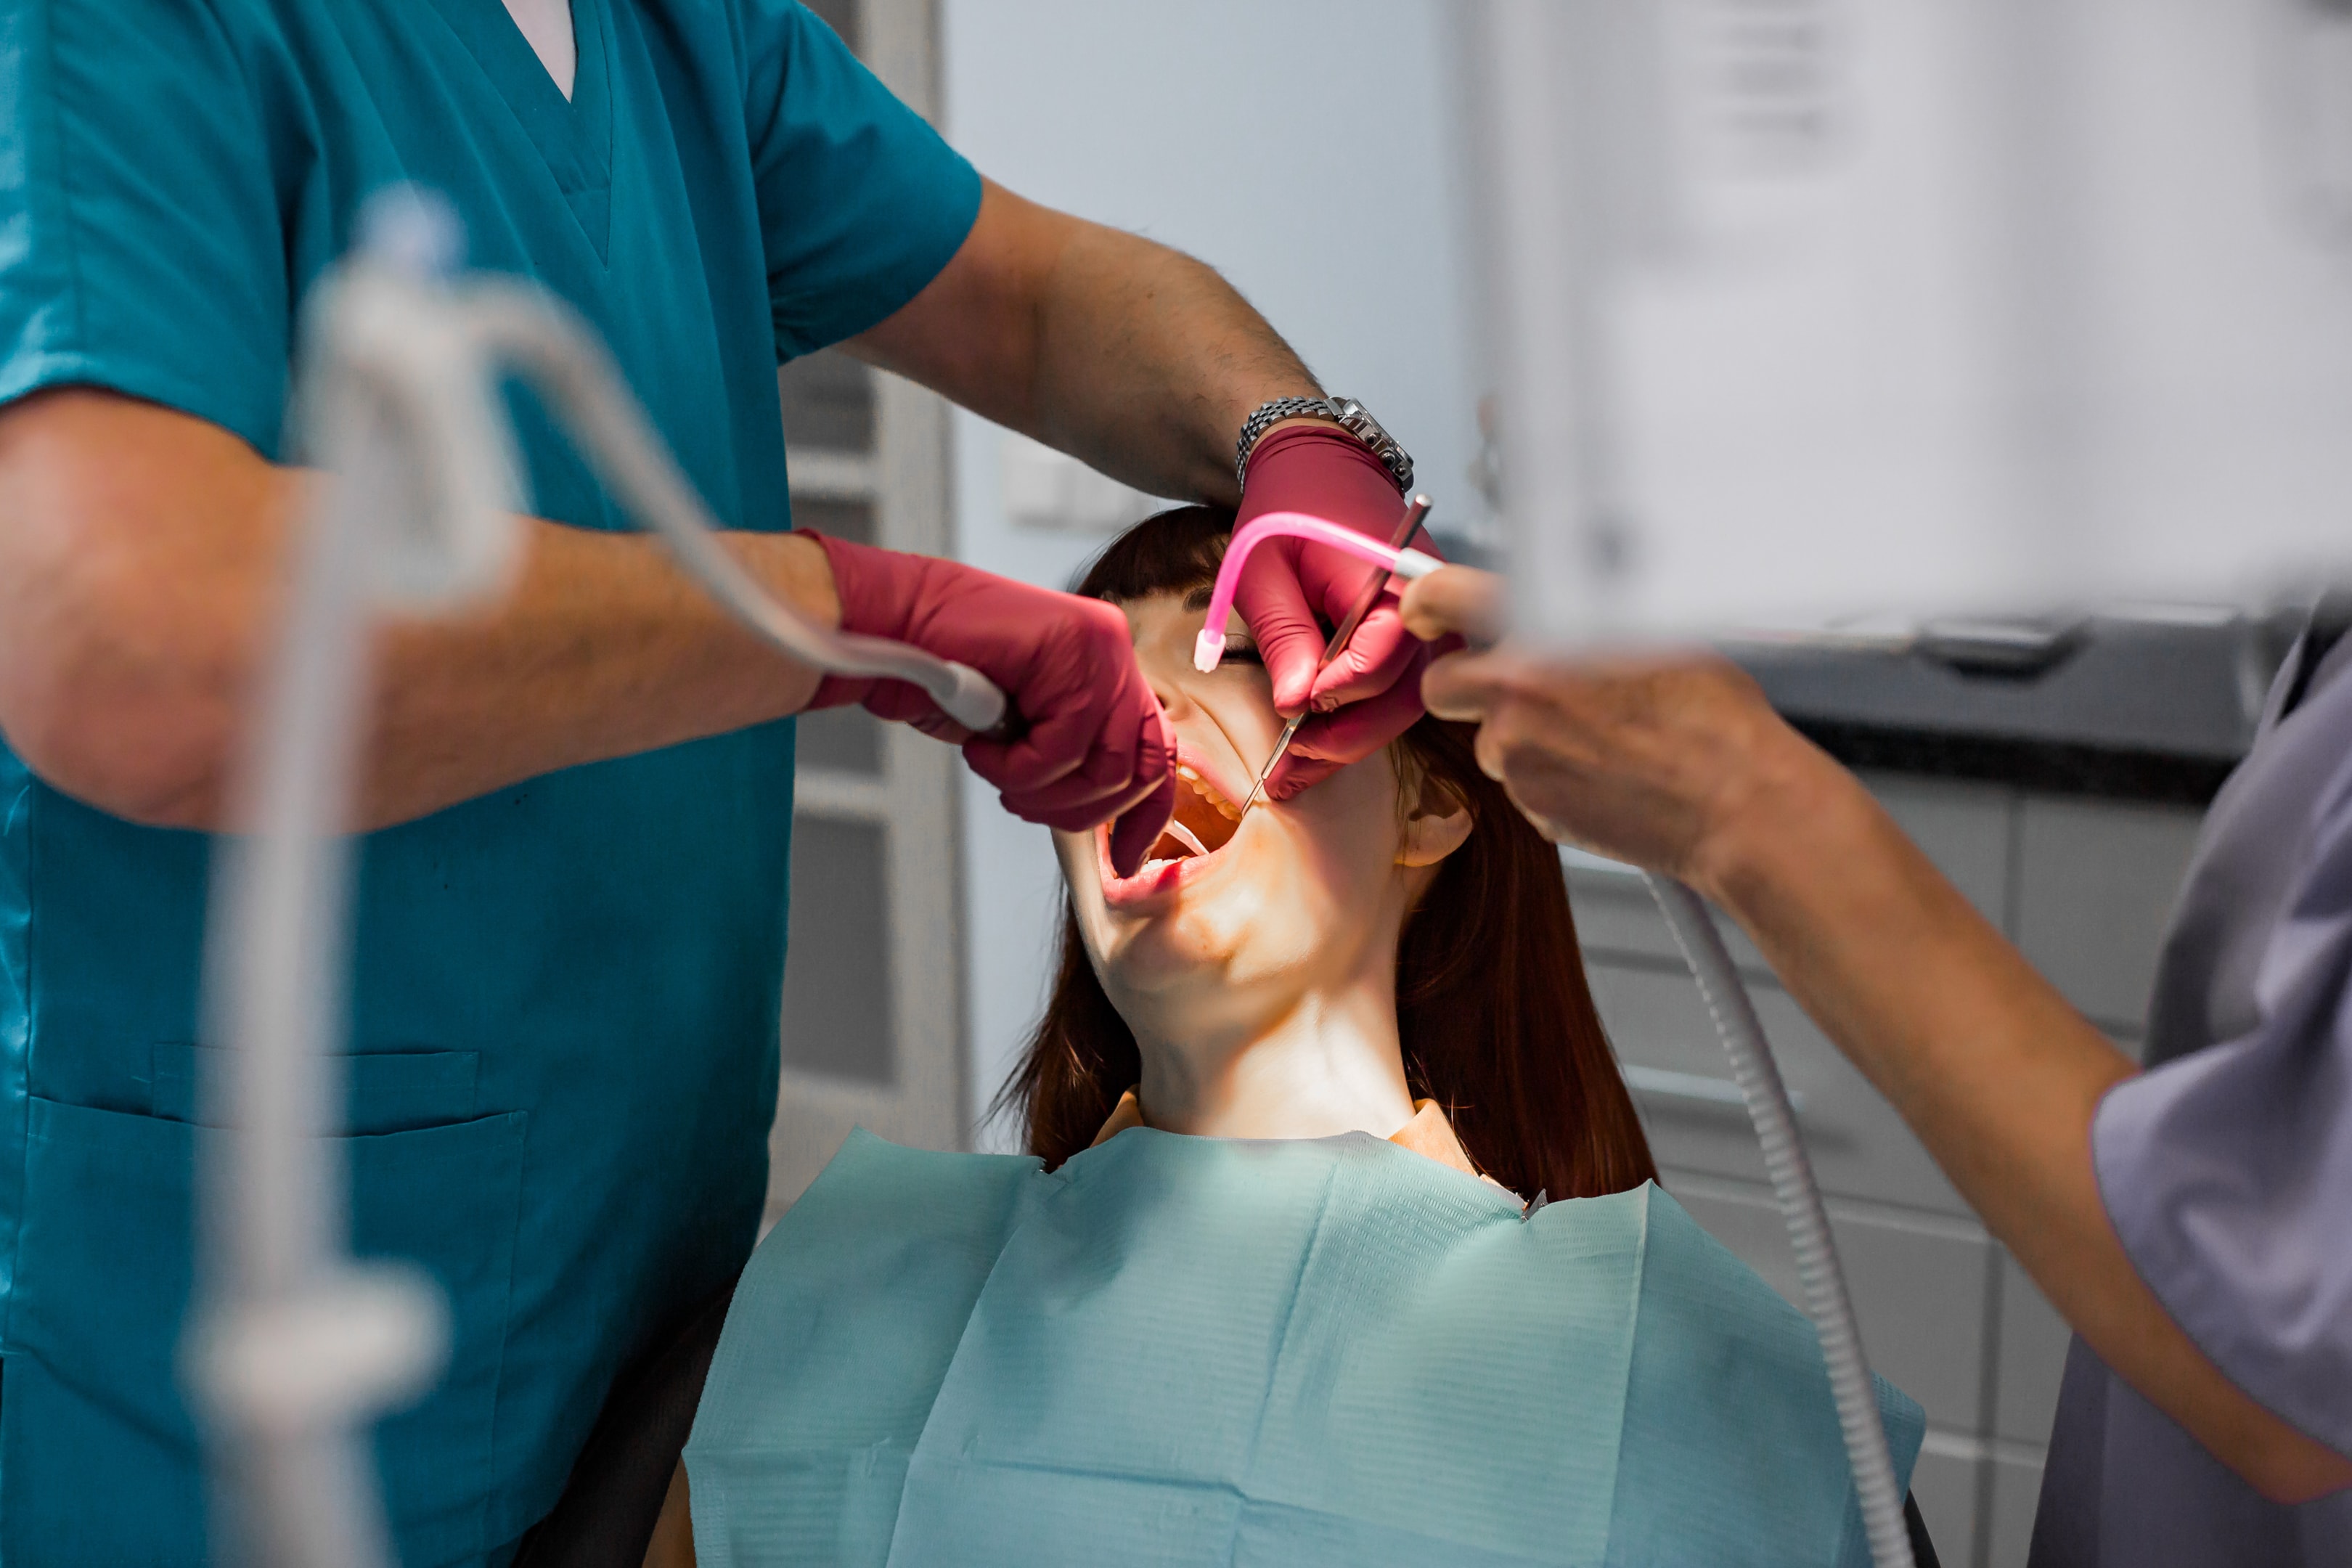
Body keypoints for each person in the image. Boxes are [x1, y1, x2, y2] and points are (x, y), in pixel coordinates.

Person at [0, 4, 1433, 1561]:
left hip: (643, 1286)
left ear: (1444, 806)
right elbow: (129, 646)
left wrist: (1294, 435)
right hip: (216, 1347)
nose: (1169, 703)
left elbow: (1031, 298)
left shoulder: (682, 36)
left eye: (1227, 670)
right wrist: (832, 614)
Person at [672, 507, 1927, 1568]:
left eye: (1218, 645)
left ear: (1429, 806)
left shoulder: (1685, 1396)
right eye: (1090, 668)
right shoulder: (846, 1307)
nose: (1139, 695)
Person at [1398, 566, 2352, 1564]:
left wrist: (1736, 797)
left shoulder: (1665, 1397)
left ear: (1430, 808)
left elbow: (2283, 1322)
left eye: (1244, 655)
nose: (1208, 689)